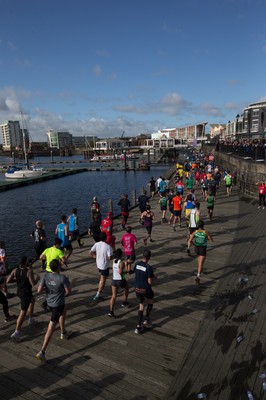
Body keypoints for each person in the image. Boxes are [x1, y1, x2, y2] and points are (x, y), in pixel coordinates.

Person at [35, 259, 71, 362]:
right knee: (50, 328)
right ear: (59, 267)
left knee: (64, 310)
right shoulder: (62, 278)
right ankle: (42, 351)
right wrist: (63, 289)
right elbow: (68, 292)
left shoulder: (45, 276)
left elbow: (39, 290)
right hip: (57, 305)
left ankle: (63, 332)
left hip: (49, 303)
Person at [7, 256, 40, 342]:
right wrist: (37, 278)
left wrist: (18, 280)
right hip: (26, 293)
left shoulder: (15, 270)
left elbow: (8, 281)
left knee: (32, 301)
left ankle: (31, 319)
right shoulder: (29, 272)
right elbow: (33, 283)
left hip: (20, 292)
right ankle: (16, 332)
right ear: (25, 263)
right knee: (23, 312)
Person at [132, 249, 155, 334]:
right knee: (150, 301)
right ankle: (147, 319)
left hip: (137, 288)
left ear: (142, 255)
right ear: (149, 257)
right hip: (146, 289)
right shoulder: (149, 268)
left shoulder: (137, 264)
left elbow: (135, 271)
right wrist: (153, 278)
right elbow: (150, 282)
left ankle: (138, 326)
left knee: (141, 306)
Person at [188, 220, 213, 285]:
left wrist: (194, 244)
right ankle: (198, 277)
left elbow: (189, 240)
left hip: (197, 248)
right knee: (200, 264)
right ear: (203, 225)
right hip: (202, 248)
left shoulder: (195, 232)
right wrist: (208, 237)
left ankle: (200, 271)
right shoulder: (205, 232)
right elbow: (211, 240)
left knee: (200, 262)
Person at [90, 232, 113, 301]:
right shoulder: (108, 246)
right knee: (103, 281)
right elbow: (109, 257)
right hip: (104, 266)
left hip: (98, 265)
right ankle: (97, 295)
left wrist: (95, 257)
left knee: (102, 277)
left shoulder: (96, 244)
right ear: (106, 238)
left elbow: (90, 252)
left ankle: (100, 285)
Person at [108, 249, 129, 318]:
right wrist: (126, 266)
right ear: (120, 255)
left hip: (114, 280)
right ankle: (125, 302)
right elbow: (121, 272)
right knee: (126, 288)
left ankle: (111, 311)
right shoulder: (121, 262)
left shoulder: (114, 261)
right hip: (120, 280)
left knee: (114, 296)